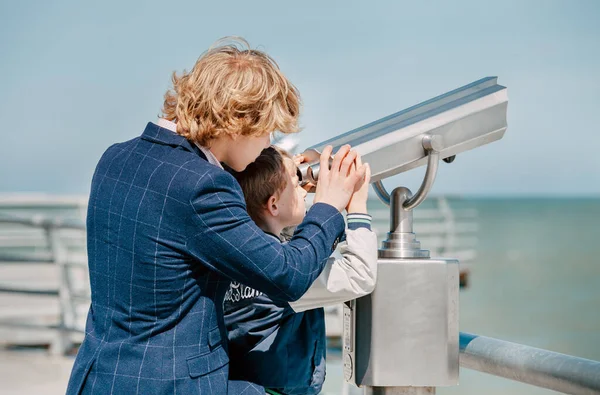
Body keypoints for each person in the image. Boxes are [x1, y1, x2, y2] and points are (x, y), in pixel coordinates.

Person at [66, 37, 367, 395]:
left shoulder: (116, 159)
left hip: (101, 376)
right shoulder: (203, 185)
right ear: (238, 121)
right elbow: (289, 274)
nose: (268, 143)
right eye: (267, 129)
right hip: (167, 384)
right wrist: (329, 206)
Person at [224, 146, 377, 395]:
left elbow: (296, 246)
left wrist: (295, 194)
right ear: (273, 204)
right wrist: (357, 206)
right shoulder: (285, 271)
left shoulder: (238, 251)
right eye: (296, 184)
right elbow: (358, 275)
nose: (303, 190)